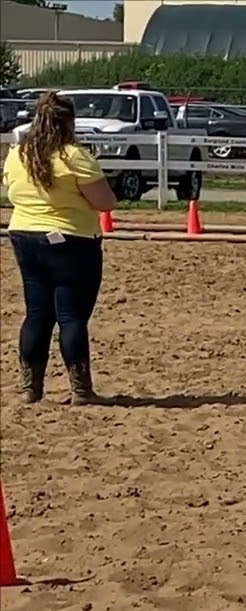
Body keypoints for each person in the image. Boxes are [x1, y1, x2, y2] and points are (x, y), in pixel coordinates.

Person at [3, 92, 116, 404]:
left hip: (25, 234)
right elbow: (105, 202)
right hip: (72, 239)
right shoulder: (74, 156)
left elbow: (11, 190)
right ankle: (80, 388)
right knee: (71, 316)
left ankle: (31, 386)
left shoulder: (18, 153)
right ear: (69, 121)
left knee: (37, 313)